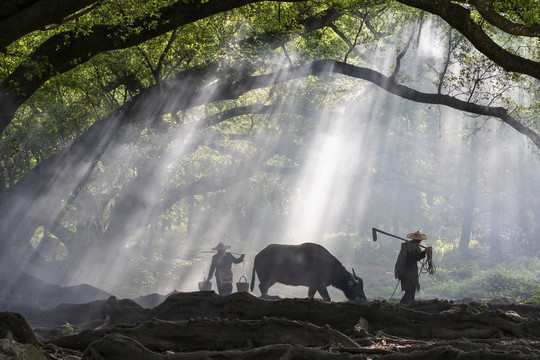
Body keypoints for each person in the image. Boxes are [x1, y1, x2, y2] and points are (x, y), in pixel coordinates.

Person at [394, 231, 432, 304]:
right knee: (410, 291)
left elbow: (414, 257)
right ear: (419, 240)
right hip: (407, 273)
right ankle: (405, 307)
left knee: (409, 291)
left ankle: (401, 306)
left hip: (408, 272)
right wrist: (424, 252)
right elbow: (412, 259)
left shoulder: (411, 246)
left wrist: (424, 252)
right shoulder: (411, 247)